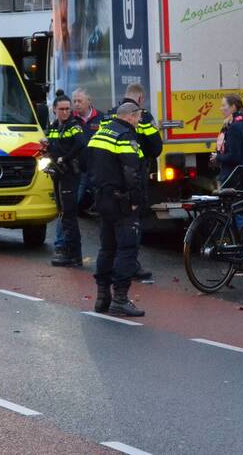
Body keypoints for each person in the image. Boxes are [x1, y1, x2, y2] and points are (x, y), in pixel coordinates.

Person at [87, 102, 146, 317]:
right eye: (138, 117)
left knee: (107, 248)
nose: (139, 122)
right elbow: (132, 171)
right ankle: (120, 298)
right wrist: (136, 199)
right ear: (130, 117)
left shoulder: (101, 134)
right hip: (122, 201)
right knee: (127, 249)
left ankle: (102, 297)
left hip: (102, 198)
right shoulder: (124, 136)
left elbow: (88, 165)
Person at [106, 83, 162, 281]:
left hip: (110, 180)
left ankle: (115, 263)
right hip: (134, 175)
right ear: (140, 99)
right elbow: (156, 148)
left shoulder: (110, 115)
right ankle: (131, 264)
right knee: (132, 223)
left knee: (111, 226)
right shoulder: (144, 117)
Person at [43, 92, 87, 267]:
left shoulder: (73, 126)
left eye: (68, 109)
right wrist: (47, 148)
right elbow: (55, 147)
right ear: (54, 110)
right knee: (62, 214)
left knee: (69, 216)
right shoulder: (54, 127)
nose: (65, 112)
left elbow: (80, 144)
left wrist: (64, 158)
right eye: (61, 109)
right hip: (57, 174)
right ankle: (69, 252)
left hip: (69, 174)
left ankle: (74, 255)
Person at [72, 88, 102, 218]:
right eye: (75, 101)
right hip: (78, 168)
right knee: (73, 202)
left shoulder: (101, 118)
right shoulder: (71, 119)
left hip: (97, 168)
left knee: (102, 203)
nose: (77, 104)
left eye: (80, 101)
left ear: (89, 101)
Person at [211, 93, 243, 186]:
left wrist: (217, 157)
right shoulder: (240, 123)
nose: (221, 108)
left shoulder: (234, 127)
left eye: (223, 105)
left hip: (232, 179)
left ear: (233, 107)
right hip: (240, 177)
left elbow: (234, 156)